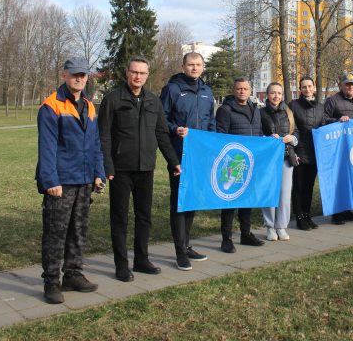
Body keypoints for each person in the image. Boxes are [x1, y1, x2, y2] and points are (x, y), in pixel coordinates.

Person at [99, 56, 180, 282]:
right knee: (120, 219)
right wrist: (107, 165)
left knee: (144, 217)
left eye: (142, 73)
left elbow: (161, 133)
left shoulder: (153, 101)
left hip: (146, 168)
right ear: (127, 73)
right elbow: (103, 135)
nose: (138, 76)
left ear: (147, 75)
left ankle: (141, 259)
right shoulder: (113, 99)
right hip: (120, 169)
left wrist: (173, 161)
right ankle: (121, 265)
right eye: (134, 72)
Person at [36, 57, 105, 304]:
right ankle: (51, 281)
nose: (79, 78)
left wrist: (98, 173)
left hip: (84, 179)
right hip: (61, 182)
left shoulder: (89, 106)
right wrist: (50, 181)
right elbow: (47, 147)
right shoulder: (51, 105)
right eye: (74, 74)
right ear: (64, 75)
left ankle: (73, 274)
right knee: (55, 233)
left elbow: (95, 144)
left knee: (78, 230)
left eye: (83, 74)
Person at [160, 52, 215, 270]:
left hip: (200, 156)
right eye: (190, 64)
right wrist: (175, 129)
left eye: (198, 64)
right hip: (179, 154)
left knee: (192, 200)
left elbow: (211, 121)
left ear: (203, 67)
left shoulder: (207, 91)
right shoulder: (172, 89)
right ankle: (179, 252)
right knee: (179, 202)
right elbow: (162, 118)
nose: (194, 68)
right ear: (183, 66)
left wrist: (211, 141)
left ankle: (186, 245)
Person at [216, 78, 265, 252]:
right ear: (234, 90)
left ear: (250, 90)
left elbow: (259, 133)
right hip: (233, 162)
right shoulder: (225, 110)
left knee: (247, 200)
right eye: (239, 88)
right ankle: (226, 239)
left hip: (250, 162)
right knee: (229, 202)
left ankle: (246, 234)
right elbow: (221, 135)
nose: (242, 91)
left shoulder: (255, 110)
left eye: (245, 89)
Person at [323, 71, 353, 225]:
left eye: (352, 84)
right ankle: (337, 213)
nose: (350, 87)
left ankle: (348, 210)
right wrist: (337, 120)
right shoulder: (332, 100)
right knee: (339, 180)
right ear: (341, 86)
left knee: (352, 179)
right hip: (340, 149)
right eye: (347, 84)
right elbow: (323, 120)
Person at [260, 82, 299, 241]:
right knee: (269, 192)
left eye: (279, 93)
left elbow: (296, 132)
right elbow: (256, 134)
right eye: (273, 93)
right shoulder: (260, 113)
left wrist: (293, 138)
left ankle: (281, 226)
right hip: (268, 160)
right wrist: (267, 138)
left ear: (282, 95)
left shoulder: (289, 112)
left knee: (284, 193)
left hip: (286, 158)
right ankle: (270, 226)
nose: (276, 96)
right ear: (267, 95)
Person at [288, 76, 325, 230]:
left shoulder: (320, 107)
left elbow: (323, 127)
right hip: (299, 153)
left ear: (314, 87)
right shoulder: (293, 105)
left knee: (309, 187)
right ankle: (299, 217)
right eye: (304, 87)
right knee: (299, 187)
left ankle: (307, 214)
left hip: (314, 153)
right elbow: (290, 128)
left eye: (309, 86)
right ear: (300, 89)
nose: (307, 89)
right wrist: (292, 151)